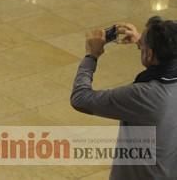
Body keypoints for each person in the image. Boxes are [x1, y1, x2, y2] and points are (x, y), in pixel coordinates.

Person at [71, 17, 177, 179]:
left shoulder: (144, 95)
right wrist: (142, 40)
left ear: (149, 53)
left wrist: (91, 56)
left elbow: (81, 98)